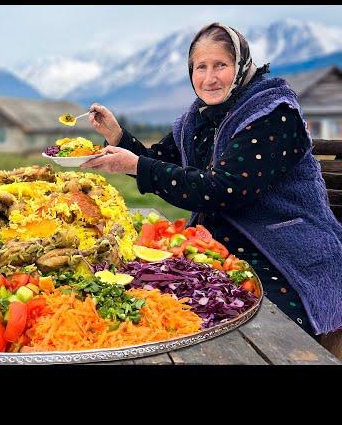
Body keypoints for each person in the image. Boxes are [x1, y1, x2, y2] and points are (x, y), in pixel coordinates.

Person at [81, 22, 342, 357]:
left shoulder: (273, 115)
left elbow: (226, 190)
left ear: (243, 66)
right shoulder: (199, 118)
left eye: (220, 65)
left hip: (283, 254)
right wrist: (118, 137)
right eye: (200, 67)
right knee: (148, 304)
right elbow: (160, 161)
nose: (209, 77)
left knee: (222, 329)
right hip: (218, 246)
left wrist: (134, 165)